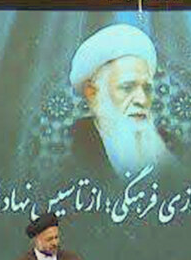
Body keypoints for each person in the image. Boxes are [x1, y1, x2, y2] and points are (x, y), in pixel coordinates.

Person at [69, 23, 178, 179]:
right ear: (92, 94)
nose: (142, 100)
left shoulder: (170, 145)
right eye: (127, 87)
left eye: (147, 88)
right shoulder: (73, 147)